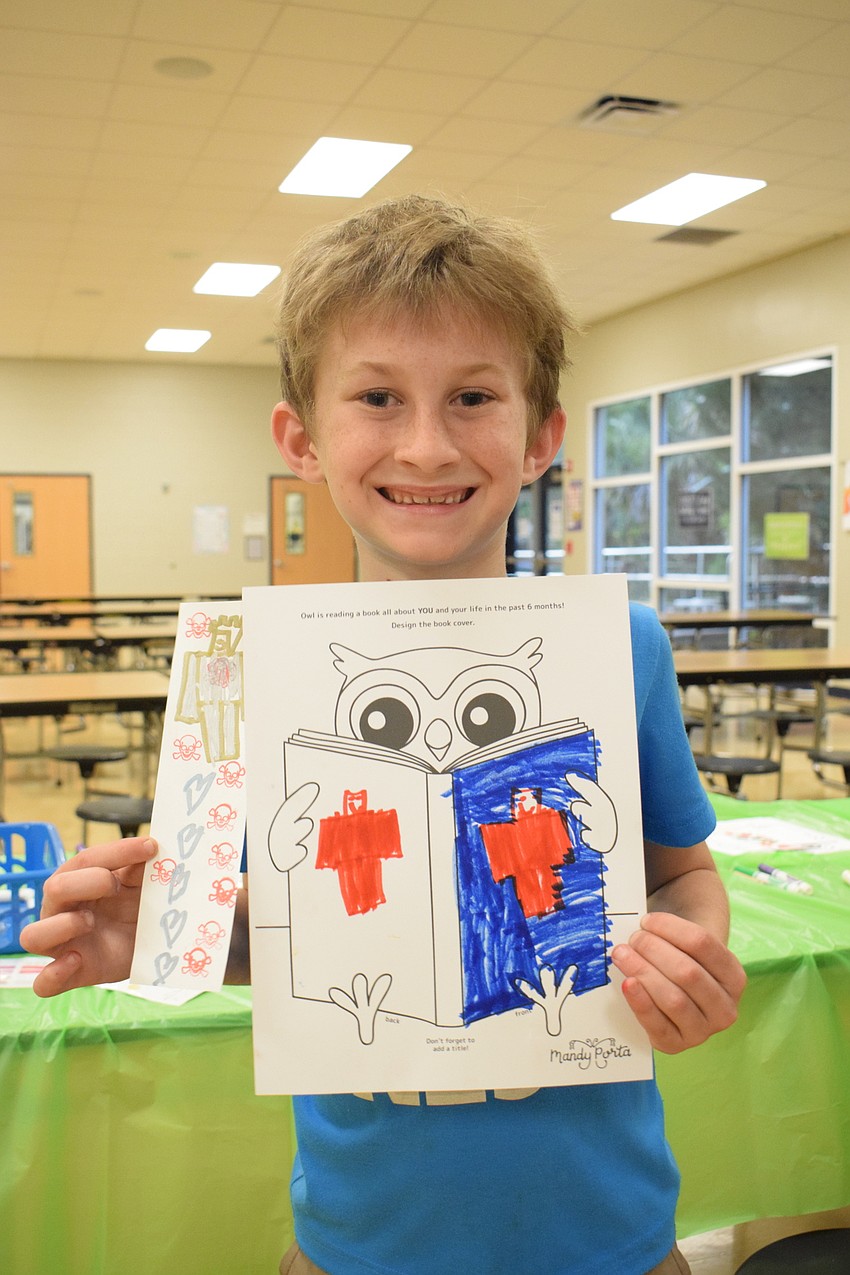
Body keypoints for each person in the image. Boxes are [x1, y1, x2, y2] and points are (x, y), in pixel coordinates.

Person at [21, 194, 746, 1275]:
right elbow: (317, 938)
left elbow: (681, 877)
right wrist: (174, 942)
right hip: (357, 1246)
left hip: (611, 1238)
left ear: (541, 434)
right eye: (375, 396)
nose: (423, 443)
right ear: (300, 440)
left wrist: (692, 954)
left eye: (471, 396)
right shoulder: (253, 674)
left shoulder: (621, 647)